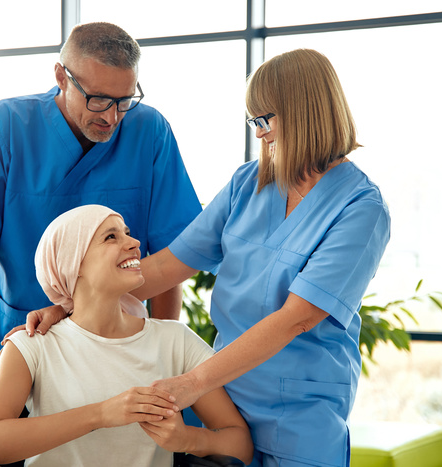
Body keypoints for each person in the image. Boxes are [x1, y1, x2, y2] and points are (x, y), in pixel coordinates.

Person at [21, 48, 391, 466]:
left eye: (264, 120)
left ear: (303, 113)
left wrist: (193, 383)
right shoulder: (248, 183)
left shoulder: (361, 209)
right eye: (253, 121)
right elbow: (166, 266)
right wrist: (72, 303)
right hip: (224, 403)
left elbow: (298, 317)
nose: (259, 134)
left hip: (298, 417)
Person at [0, 22, 201, 412]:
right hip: (25, 343)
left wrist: (160, 356)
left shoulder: (150, 131)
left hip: (119, 350)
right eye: (98, 99)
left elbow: (170, 255)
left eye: (124, 100)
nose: (112, 117)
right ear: (61, 76)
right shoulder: (6, 126)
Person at [0, 205, 253, 466]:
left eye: (128, 234)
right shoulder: (31, 346)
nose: (134, 243)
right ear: (73, 264)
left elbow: (240, 443)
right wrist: (103, 414)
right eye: (110, 237)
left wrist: (189, 440)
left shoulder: (176, 341)